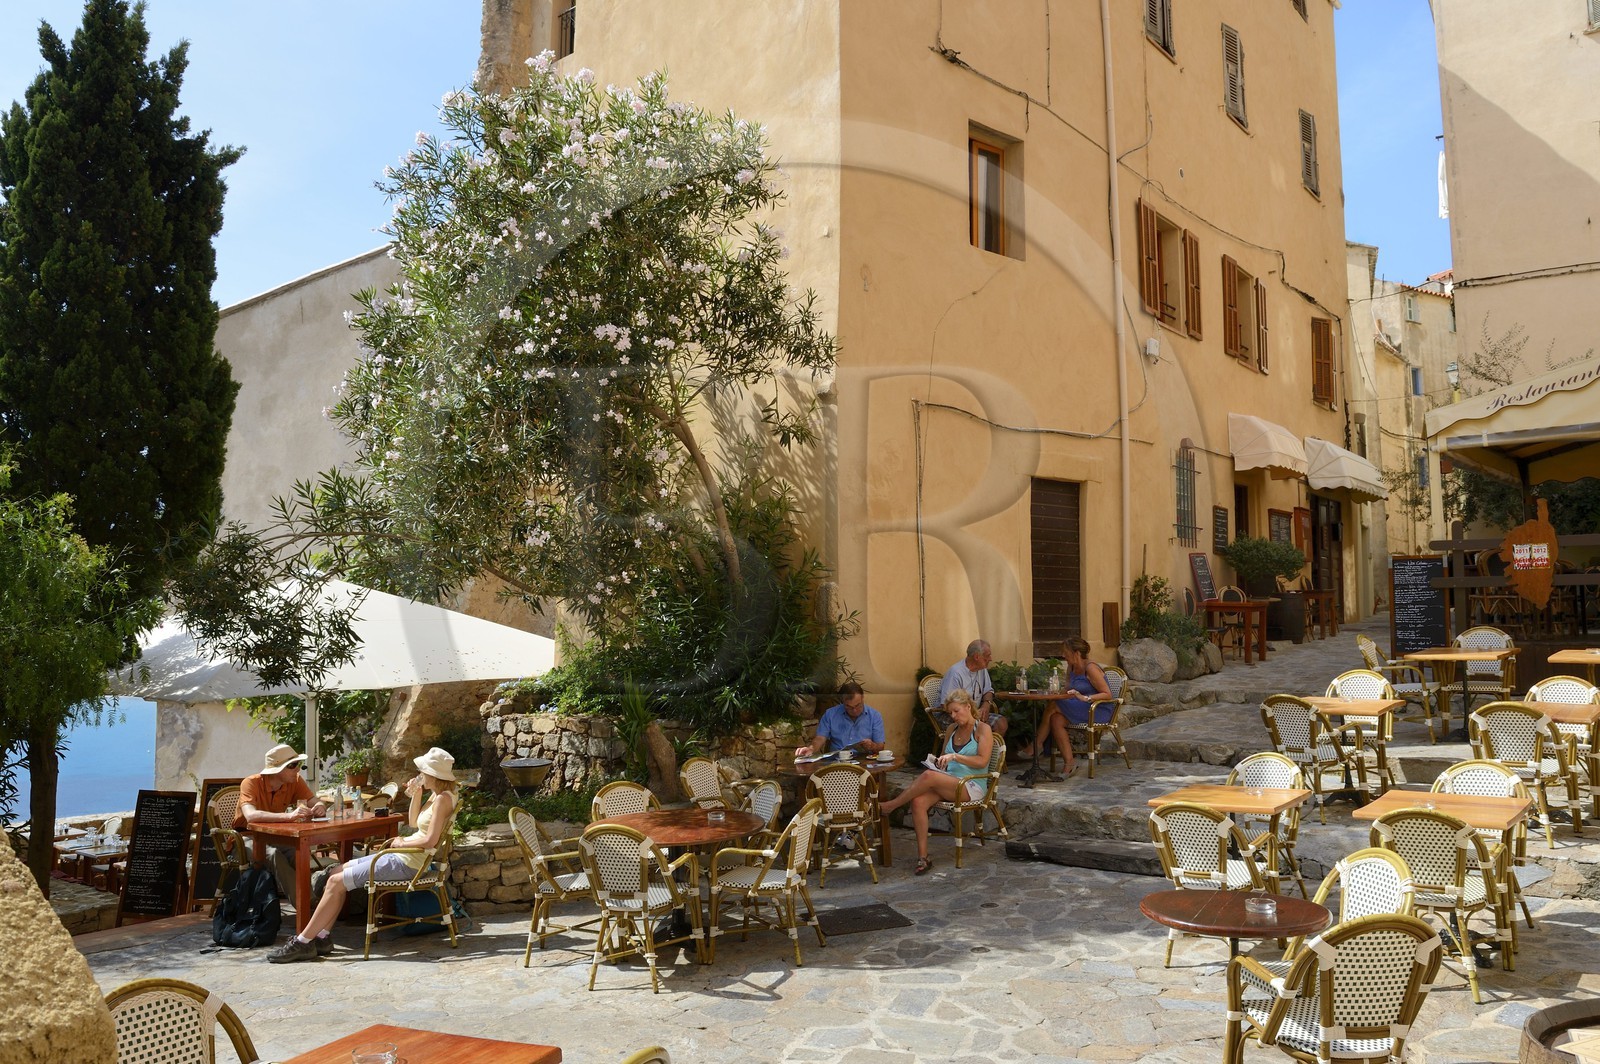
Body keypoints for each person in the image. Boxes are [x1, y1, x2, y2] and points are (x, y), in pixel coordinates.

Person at [268, 747, 458, 962]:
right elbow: (414, 822)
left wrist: (401, 841)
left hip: (408, 863)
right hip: (404, 857)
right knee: (336, 872)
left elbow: (430, 840)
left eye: (422, 771)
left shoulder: (442, 799)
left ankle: (303, 941)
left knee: (335, 882)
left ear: (433, 774)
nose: (419, 775)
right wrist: (417, 794)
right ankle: (321, 937)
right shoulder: (438, 796)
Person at [878, 689, 992, 876]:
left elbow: (982, 761)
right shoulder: (951, 730)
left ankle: (891, 806)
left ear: (967, 706)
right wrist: (940, 761)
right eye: (950, 713)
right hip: (949, 781)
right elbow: (943, 757)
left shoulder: (982, 729)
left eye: (956, 711)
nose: (953, 716)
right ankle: (923, 858)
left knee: (929, 776)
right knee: (918, 801)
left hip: (971, 785)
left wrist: (955, 757)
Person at [234, 744, 326, 902]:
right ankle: (308, 905)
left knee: (298, 852)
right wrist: (289, 816)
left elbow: (314, 801)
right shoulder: (250, 783)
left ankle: (314, 902)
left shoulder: (294, 781)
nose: (298, 769)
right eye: (292, 765)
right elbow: (251, 816)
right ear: (276, 769)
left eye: (298, 764)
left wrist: (320, 806)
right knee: (274, 854)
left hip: (275, 836)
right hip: (246, 838)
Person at [1019, 637, 1112, 778]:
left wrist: (1086, 698)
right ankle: (1069, 763)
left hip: (1097, 709)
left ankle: (1036, 745)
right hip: (1080, 707)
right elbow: (1067, 690)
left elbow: (1107, 694)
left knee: (1053, 706)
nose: (1063, 656)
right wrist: (1052, 694)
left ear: (1076, 653)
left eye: (1066, 652)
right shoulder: (1072, 667)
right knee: (1056, 719)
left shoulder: (1091, 668)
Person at [936, 639, 1008, 738]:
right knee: (980, 727)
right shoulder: (956, 673)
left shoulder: (982, 669)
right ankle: (976, 752)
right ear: (977, 657)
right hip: (951, 715)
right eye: (987, 655)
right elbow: (946, 705)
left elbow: (988, 691)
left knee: (1001, 723)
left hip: (975, 713)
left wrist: (986, 705)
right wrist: (971, 717)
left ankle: (990, 753)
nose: (991, 659)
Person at [795, 682, 885, 757]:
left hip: (864, 762)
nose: (854, 710)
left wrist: (872, 746)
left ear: (862, 698)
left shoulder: (874, 716)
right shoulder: (830, 714)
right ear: (843, 702)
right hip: (837, 762)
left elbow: (880, 747)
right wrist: (811, 749)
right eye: (849, 707)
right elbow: (820, 738)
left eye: (858, 705)